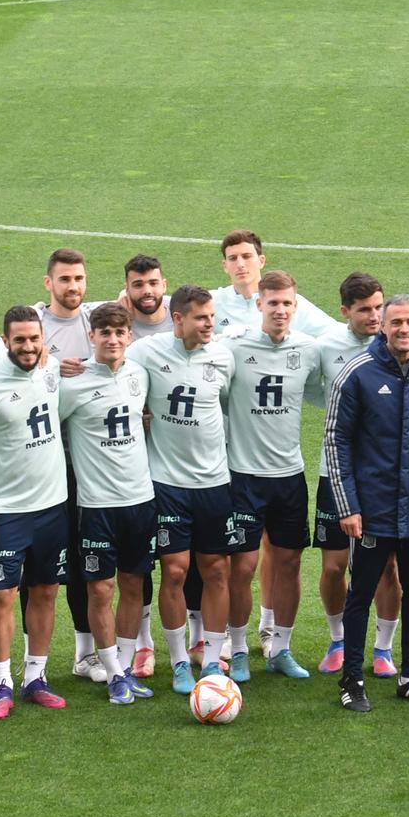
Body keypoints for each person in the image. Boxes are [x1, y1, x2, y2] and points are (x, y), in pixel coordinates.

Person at [326, 295, 409, 712]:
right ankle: (352, 678)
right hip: (372, 511)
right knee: (360, 593)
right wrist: (347, 506)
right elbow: (336, 440)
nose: (404, 329)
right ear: (382, 325)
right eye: (396, 322)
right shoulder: (357, 374)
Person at [0, 306, 69, 719]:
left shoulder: (53, 370)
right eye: (19, 340)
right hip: (5, 510)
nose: (28, 347)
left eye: (34, 339)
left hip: (52, 506)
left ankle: (35, 677)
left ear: (43, 339)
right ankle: (1, 682)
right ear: (6, 341)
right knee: (3, 594)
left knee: (45, 591)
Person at [131, 285, 237, 693]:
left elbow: (229, 403)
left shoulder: (223, 357)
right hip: (167, 483)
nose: (209, 323)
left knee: (216, 570)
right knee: (174, 570)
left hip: (215, 483)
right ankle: (177, 661)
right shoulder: (148, 353)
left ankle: (211, 658)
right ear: (178, 319)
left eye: (211, 316)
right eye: (200, 317)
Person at [221, 270, 321, 681]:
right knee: (242, 566)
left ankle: (280, 647)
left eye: (287, 304)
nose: (280, 310)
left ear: (295, 308)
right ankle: (240, 647)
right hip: (242, 476)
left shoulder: (310, 349)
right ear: (259, 304)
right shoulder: (233, 347)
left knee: (290, 563)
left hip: (289, 475)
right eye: (273, 303)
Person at [56, 302, 158, 705]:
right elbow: (43, 425)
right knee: (101, 589)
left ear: (129, 336)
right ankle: (113, 673)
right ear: (93, 338)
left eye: (120, 333)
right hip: (96, 504)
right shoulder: (73, 383)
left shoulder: (139, 374)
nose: (113, 340)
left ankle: (128, 668)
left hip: (140, 498)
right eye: (105, 333)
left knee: (135, 584)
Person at [311, 272, 402, 676]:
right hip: (334, 475)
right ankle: (338, 640)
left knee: (387, 567)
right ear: (344, 311)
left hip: (382, 478)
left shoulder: (397, 346)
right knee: (332, 566)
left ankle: (383, 649)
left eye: (378, 307)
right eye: (364, 309)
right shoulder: (325, 347)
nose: (374, 316)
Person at [30, 247, 105, 679]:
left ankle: (85, 653)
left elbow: (155, 306)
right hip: (43, 465)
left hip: (89, 465)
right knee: (37, 562)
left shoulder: (95, 318)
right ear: (48, 283)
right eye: (64, 279)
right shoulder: (33, 328)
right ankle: (29, 659)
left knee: (82, 558)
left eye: (78, 278)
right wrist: (54, 364)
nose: (72, 287)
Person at [212, 229, 343, 337]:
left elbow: (336, 333)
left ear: (261, 261)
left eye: (247, 256)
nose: (240, 264)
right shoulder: (212, 302)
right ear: (225, 266)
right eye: (233, 258)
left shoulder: (288, 302)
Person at [115, 255, 173, 341]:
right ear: (127, 290)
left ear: (164, 286)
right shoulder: (115, 325)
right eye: (138, 285)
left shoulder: (182, 312)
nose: (147, 291)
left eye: (153, 283)